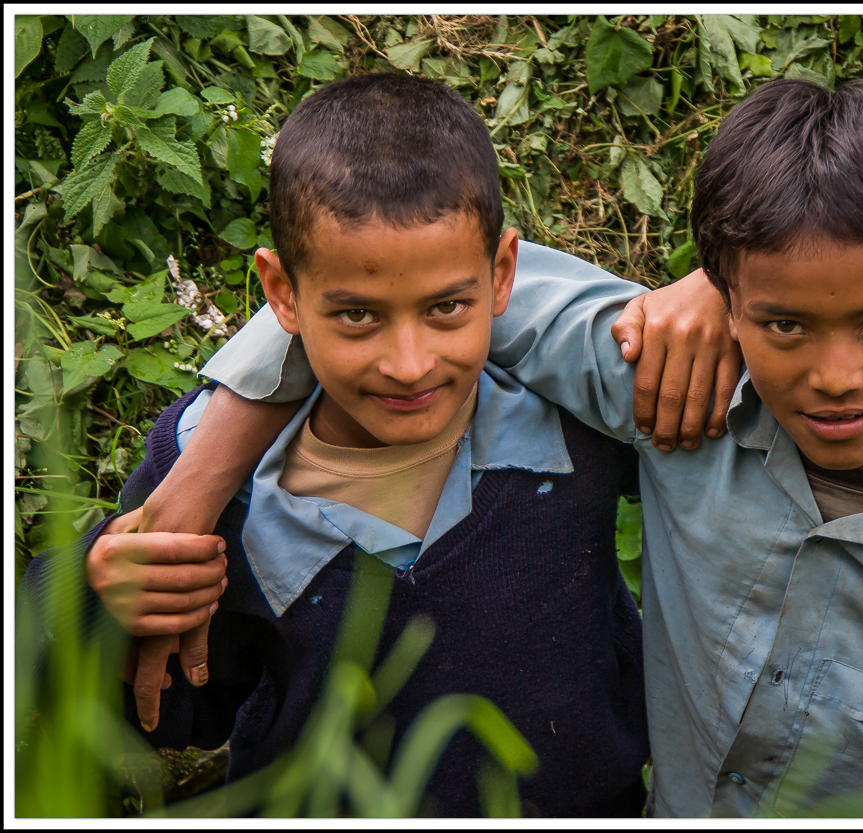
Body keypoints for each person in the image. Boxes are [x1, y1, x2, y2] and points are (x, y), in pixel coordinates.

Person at [110, 78, 863, 817]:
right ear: (727, 305)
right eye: (782, 322)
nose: (833, 374)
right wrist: (202, 475)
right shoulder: (679, 391)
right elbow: (371, 281)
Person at [19, 72, 742, 818]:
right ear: (281, 292)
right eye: (358, 316)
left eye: (447, 308)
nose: (409, 362)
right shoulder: (221, 491)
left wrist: (720, 289)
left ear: (502, 274)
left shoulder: (571, 426)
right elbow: (153, 708)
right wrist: (94, 588)